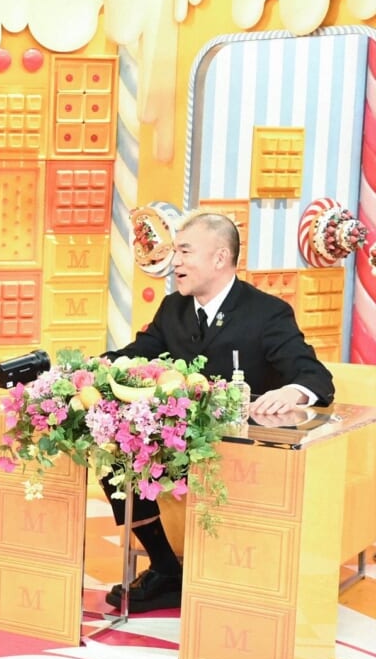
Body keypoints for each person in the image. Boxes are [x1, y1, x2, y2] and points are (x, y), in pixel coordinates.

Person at [103, 211, 334, 612]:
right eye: (175, 252)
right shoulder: (173, 308)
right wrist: (98, 367)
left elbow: (315, 376)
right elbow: (138, 355)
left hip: (242, 454)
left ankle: (234, 578)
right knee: (116, 456)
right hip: (183, 448)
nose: (175, 261)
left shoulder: (267, 312)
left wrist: (291, 392)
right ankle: (165, 568)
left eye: (184, 252)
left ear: (220, 257)